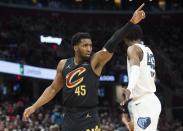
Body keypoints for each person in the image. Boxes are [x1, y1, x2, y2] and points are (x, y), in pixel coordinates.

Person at [23, 3, 146, 131]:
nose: (89, 49)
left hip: (89, 116)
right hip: (69, 117)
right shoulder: (63, 64)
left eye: (90, 45)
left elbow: (113, 41)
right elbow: (53, 89)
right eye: (85, 45)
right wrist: (34, 106)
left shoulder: (95, 60)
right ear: (75, 47)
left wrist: (131, 22)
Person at [120, 24, 161, 131]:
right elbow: (154, 77)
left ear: (125, 37)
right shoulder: (148, 50)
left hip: (142, 103)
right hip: (153, 100)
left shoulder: (132, 49)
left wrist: (130, 88)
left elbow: (135, 69)